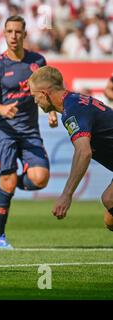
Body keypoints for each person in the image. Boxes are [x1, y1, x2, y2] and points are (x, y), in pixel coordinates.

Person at [0, 16, 58, 250]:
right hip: (3, 132)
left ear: (24, 35)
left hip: (30, 132)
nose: (13, 36)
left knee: (40, 179)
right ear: (4, 34)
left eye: (18, 32)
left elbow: (48, 92)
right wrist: (0, 108)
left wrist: (51, 111)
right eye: (9, 31)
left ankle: (10, 185)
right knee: (8, 181)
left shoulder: (37, 61)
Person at [28, 65, 113, 228]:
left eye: (35, 96)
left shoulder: (73, 111)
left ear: (45, 94)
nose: (35, 101)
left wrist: (67, 194)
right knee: (109, 210)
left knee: (109, 200)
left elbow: (84, 152)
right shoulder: (74, 101)